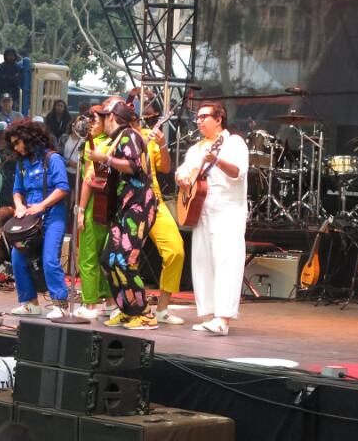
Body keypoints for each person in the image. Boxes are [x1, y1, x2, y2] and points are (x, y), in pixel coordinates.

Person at [175, 102, 248, 335]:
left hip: (227, 210)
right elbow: (182, 171)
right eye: (197, 117)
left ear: (219, 119)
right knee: (202, 262)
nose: (199, 121)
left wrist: (216, 160)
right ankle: (210, 316)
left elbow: (238, 172)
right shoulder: (196, 148)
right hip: (200, 210)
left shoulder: (233, 142)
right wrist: (181, 179)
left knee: (227, 262)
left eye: (204, 116)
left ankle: (223, 318)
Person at [86, 100, 158, 330]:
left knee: (127, 260)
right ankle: (127, 310)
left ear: (112, 117)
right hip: (124, 206)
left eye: (103, 117)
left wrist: (104, 159)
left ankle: (144, 313)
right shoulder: (115, 139)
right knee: (109, 260)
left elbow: (133, 165)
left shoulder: (129, 135)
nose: (100, 121)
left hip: (139, 205)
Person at [5, 120, 70, 319]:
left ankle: (61, 304)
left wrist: (42, 205)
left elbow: (63, 188)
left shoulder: (53, 158)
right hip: (30, 219)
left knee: (50, 259)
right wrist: (19, 206)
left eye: (17, 143)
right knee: (17, 257)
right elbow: (17, 190)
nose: (16, 148)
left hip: (52, 216)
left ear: (28, 138)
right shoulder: (22, 163)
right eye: (13, 144)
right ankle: (30, 303)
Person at [138, 105, 185, 325]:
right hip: (128, 201)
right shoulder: (114, 139)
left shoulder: (147, 135)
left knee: (175, 250)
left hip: (154, 199)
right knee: (123, 255)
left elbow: (165, 168)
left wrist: (163, 144)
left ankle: (162, 309)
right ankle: (124, 305)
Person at [74, 104, 117, 319]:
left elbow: (88, 180)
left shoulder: (97, 146)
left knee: (88, 255)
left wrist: (81, 209)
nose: (91, 124)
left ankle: (90, 303)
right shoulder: (113, 141)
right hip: (109, 205)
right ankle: (109, 302)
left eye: (95, 120)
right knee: (105, 257)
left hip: (93, 204)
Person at [0, 47, 22, 115]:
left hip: (13, 96)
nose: (10, 57)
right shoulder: (0, 67)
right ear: (5, 56)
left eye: (12, 55)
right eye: (8, 55)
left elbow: (17, 81)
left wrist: (6, 78)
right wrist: (11, 78)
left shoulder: (17, 68)